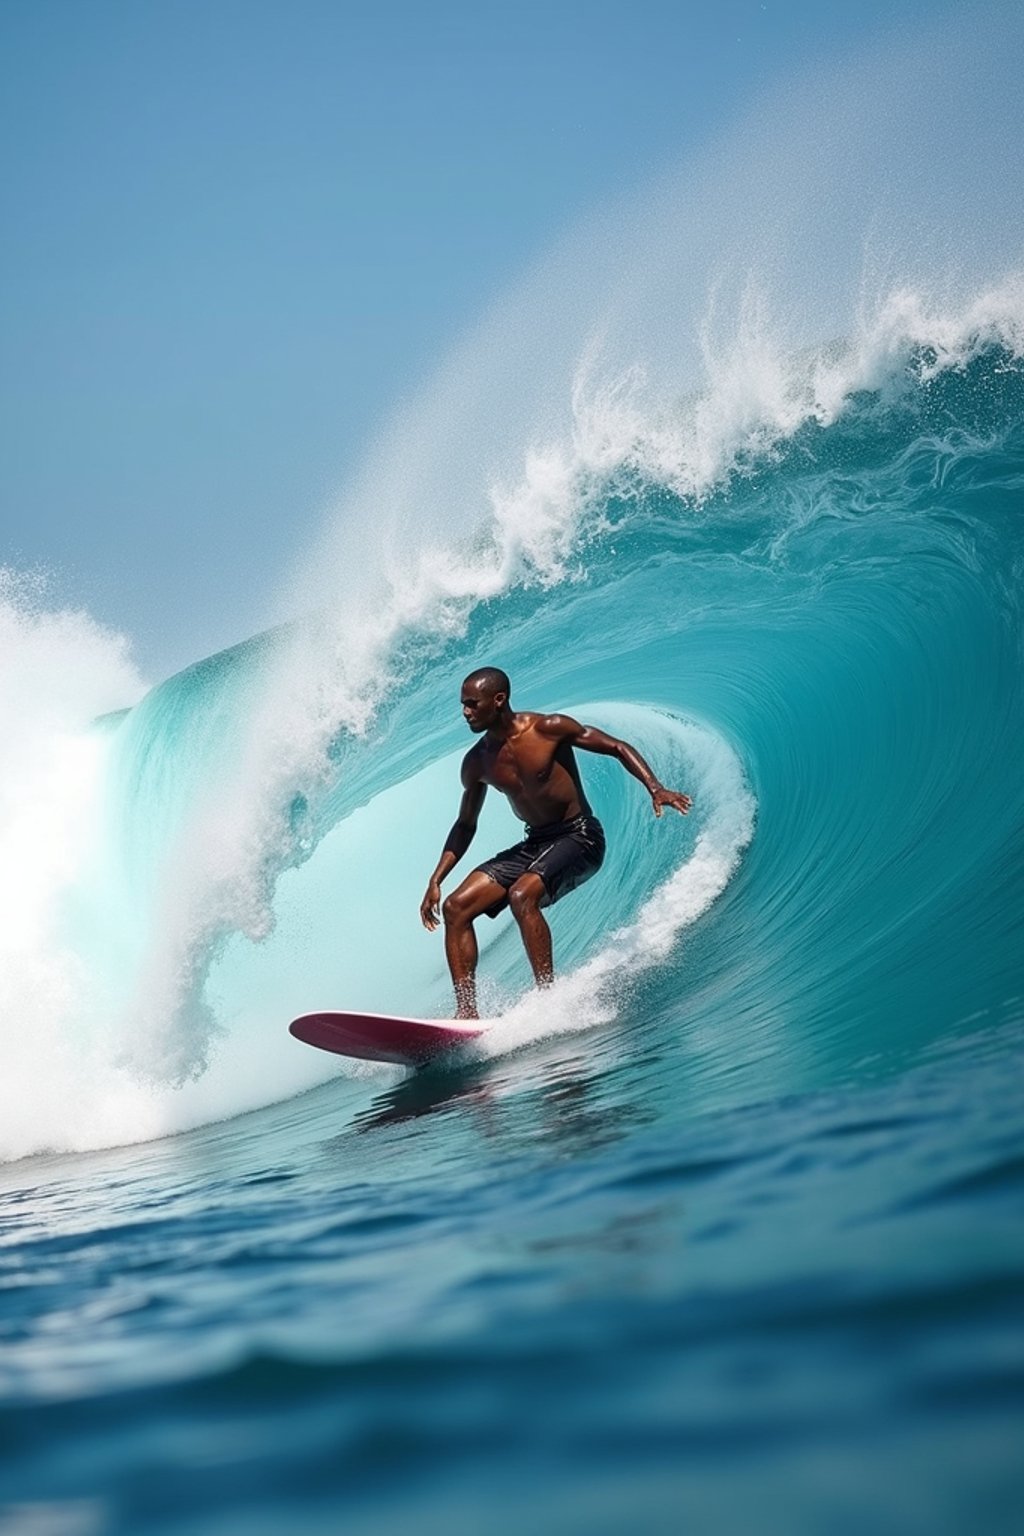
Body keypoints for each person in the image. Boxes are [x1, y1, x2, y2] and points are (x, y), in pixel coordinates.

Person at [420, 667, 692, 1018]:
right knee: (456, 907)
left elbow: (616, 746)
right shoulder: (476, 762)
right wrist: (436, 878)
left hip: (580, 836)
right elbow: (465, 823)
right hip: (536, 843)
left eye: (472, 704)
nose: (465, 712)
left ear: (499, 700)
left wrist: (655, 788)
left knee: (522, 894)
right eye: (463, 705)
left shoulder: (548, 729)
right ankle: (467, 1014)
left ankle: (550, 1000)